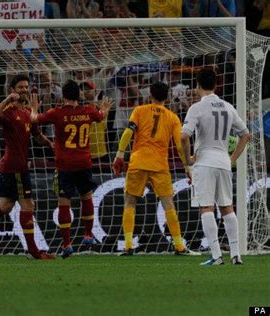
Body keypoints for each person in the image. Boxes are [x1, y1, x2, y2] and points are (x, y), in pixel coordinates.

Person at [0, 74, 55, 260]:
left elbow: (37, 136)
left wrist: (51, 144)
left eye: (26, 86)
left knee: (5, 206)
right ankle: (33, 251)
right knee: (28, 205)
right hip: (15, 167)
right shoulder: (9, 110)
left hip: (17, 166)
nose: (24, 89)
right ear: (13, 90)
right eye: (20, 87)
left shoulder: (28, 112)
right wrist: (6, 100)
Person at [112, 81, 199, 256]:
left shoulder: (139, 111)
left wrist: (119, 154)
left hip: (138, 162)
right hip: (160, 165)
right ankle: (179, 247)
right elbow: (179, 145)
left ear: (150, 95)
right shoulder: (173, 117)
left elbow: (128, 132)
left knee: (130, 202)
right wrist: (186, 166)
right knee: (168, 204)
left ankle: (128, 246)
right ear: (167, 97)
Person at [31, 80, 113, 258]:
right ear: (79, 95)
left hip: (65, 165)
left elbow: (34, 119)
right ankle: (88, 234)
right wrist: (105, 110)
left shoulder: (56, 113)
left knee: (64, 202)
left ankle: (67, 244)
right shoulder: (88, 110)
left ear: (63, 96)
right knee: (86, 197)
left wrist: (34, 108)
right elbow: (101, 116)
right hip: (84, 163)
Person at [181, 69, 250, 265]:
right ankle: (236, 254)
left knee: (206, 207)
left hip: (204, 162)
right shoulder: (228, 107)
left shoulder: (197, 108)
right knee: (227, 207)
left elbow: (184, 136)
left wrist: (188, 160)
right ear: (216, 85)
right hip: (223, 162)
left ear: (197, 86)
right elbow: (245, 135)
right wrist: (232, 159)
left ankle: (216, 255)